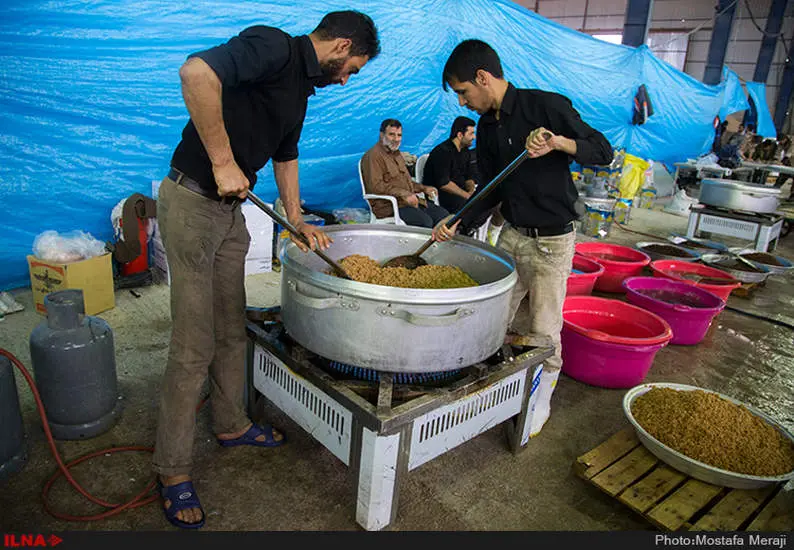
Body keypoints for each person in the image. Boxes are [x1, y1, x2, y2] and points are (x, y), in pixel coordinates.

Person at [153, 11, 380, 529]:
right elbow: (196, 74)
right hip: (192, 202)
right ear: (341, 45)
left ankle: (232, 424)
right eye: (353, 69)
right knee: (194, 345)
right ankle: (172, 470)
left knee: (233, 330)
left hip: (230, 214)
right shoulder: (274, 46)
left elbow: (286, 155)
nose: (347, 80)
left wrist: (296, 220)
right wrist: (221, 160)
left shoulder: (300, 89)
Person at [433, 39, 612, 438]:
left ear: (482, 77)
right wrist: (457, 220)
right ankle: (499, 386)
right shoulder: (487, 125)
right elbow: (494, 187)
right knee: (497, 315)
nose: (462, 103)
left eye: (463, 92)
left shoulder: (545, 106)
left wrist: (559, 142)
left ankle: (542, 394)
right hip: (512, 235)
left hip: (551, 241)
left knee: (545, 327)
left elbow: (603, 150)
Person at [361, 119, 449, 228]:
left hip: (410, 202)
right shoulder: (373, 156)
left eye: (399, 135)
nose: (396, 139)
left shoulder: (397, 154)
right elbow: (376, 186)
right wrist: (404, 193)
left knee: (444, 216)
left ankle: (437, 245)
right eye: (391, 135)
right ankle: (422, 245)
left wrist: (423, 188)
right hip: (390, 206)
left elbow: (407, 182)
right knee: (426, 223)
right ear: (381, 135)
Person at [423, 116, 478, 214]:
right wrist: (468, 196)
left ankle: (489, 229)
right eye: (471, 134)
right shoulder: (442, 152)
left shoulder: (465, 151)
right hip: (443, 196)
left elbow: (469, 176)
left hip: (460, 193)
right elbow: (444, 184)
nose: (474, 137)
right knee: (472, 207)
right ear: (460, 135)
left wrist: (471, 191)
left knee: (487, 201)